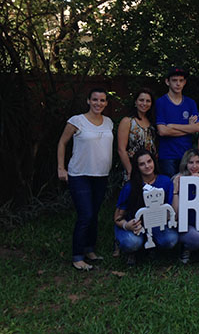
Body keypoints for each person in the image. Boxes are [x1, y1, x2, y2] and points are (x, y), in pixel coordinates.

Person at [57, 88, 114, 271]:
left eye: (102, 100)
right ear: (88, 101)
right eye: (95, 99)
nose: (99, 103)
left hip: (101, 175)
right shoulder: (77, 121)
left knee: (94, 215)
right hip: (80, 175)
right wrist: (61, 168)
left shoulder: (109, 122)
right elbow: (62, 143)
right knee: (86, 215)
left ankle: (90, 250)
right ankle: (77, 256)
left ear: (106, 103)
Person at [113, 149, 178, 266]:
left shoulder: (165, 181)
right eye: (142, 164)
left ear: (154, 162)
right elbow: (117, 217)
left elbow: (171, 211)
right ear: (137, 167)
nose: (147, 166)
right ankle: (130, 250)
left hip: (157, 223)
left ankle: (153, 248)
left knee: (171, 239)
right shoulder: (130, 186)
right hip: (135, 225)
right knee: (132, 242)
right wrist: (126, 225)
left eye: (149, 161)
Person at [155, 67, 199, 178]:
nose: (178, 84)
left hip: (186, 155)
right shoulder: (160, 102)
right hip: (167, 155)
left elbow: (197, 128)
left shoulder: (190, 103)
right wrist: (188, 128)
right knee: (171, 188)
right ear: (167, 82)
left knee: (186, 190)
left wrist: (172, 126)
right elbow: (162, 131)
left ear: (184, 82)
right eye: (174, 80)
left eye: (181, 81)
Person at [117, 88, 157, 180]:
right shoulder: (127, 121)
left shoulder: (152, 122)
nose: (144, 103)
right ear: (135, 102)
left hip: (150, 168)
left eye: (148, 101)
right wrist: (130, 170)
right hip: (133, 166)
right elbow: (121, 149)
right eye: (141, 100)